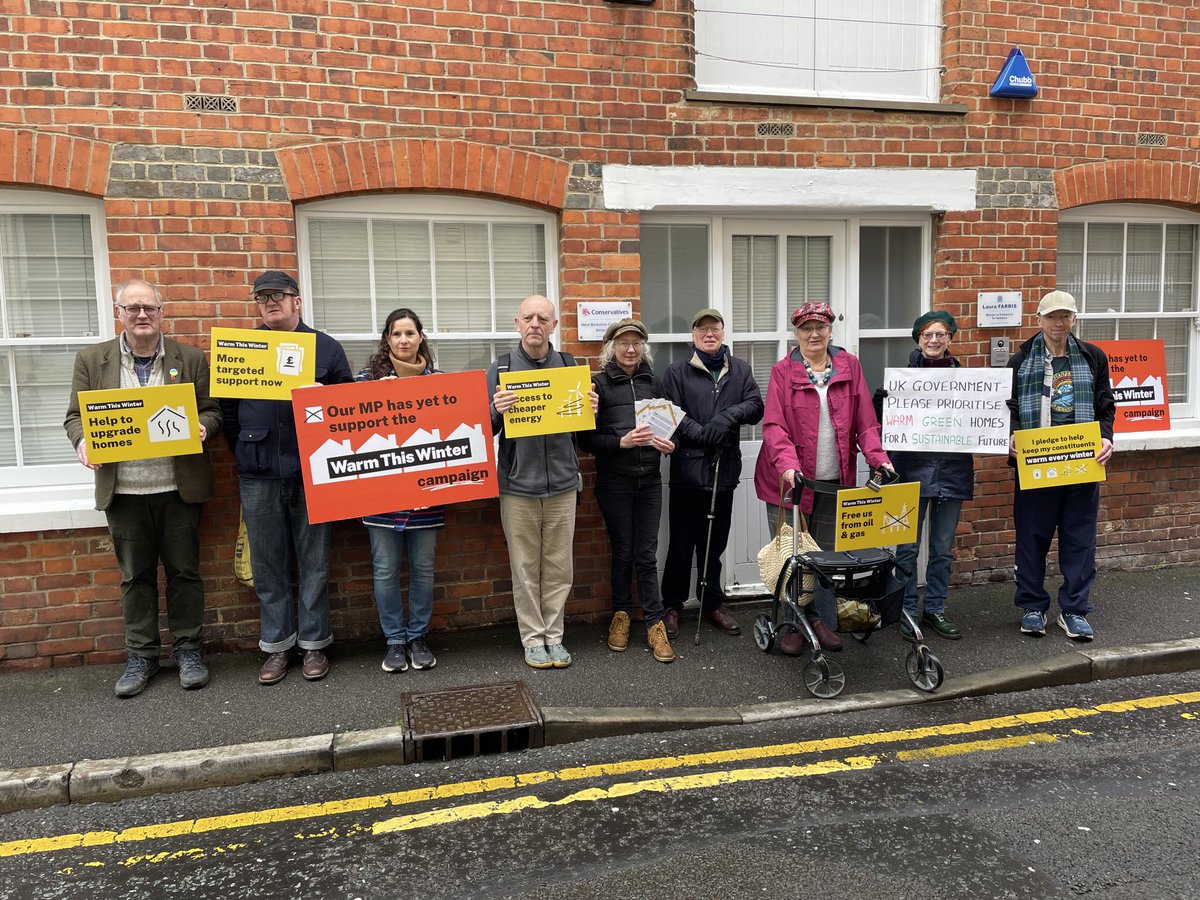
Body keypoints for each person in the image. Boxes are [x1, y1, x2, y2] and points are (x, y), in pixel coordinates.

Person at [64, 279, 222, 698]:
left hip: (177, 487)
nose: (141, 315)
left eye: (149, 307)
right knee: (135, 577)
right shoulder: (92, 359)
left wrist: (204, 427)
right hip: (125, 491)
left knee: (185, 573)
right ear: (119, 312)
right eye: (132, 308)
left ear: (161, 312)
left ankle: (188, 650)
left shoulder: (189, 358)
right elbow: (74, 417)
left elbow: (212, 410)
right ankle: (142, 657)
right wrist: (83, 442)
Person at [220, 270, 353, 685]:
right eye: (262, 298)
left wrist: (324, 400)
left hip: (314, 473)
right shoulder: (243, 351)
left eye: (279, 295)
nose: (270, 302)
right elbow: (227, 414)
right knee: (267, 565)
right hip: (259, 474)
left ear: (298, 302)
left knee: (314, 562)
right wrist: (245, 452)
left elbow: (349, 410)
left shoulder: (326, 349)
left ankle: (314, 646)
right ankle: (277, 648)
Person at [753, 301, 893, 654]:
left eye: (821, 327)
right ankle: (791, 623)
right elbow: (774, 427)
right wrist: (788, 466)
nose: (814, 334)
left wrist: (879, 459)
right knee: (793, 557)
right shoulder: (783, 372)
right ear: (796, 333)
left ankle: (821, 620)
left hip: (834, 481)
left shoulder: (850, 367)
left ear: (830, 330)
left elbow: (866, 422)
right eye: (806, 328)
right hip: (790, 483)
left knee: (827, 558)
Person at [487, 295, 598, 670]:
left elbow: (582, 432)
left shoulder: (569, 365)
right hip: (518, 487)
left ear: (553, 326)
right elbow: (482, 429)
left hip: (564, 486)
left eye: (543, 318)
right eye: (529, 318)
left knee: (558, 567)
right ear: (517, 323)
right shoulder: (500, 368)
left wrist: (590, 412)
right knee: (524, 567)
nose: (535, 324)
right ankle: (533, 640)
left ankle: (555, 636)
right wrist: (495, 411)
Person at [1007, 290, 1115, 642]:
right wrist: (1010, 436)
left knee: (1079, 539)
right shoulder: (1020, 360)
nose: (1058, 323)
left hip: (1082, 463)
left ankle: (1074, 611)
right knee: (1032, 538)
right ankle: (1033, 606)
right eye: (1052, 316)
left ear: (1074, 319)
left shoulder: (1092, 357)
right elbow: (1006, 408)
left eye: (1065, 316)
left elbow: (1105, 405)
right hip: (1035, 462)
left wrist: (1106, 437)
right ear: (1038, 320)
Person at [660, 308, 764, 638]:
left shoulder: (741, 370)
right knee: (680, 545)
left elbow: (756, 406)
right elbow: (671, 413)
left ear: (722, 332)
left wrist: (728, 417)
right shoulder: (677, 372)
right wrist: (702, 433)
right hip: (688, 473)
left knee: (714, 545)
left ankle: (712, 603)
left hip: (725, 471)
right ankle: (672, 606)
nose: (709, 334)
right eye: (702, 329)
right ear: (693, 335)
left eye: (714, 328)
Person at [579, 318, 676, 663]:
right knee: (622, 551)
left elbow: (670, 427)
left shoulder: (655, 382)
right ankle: (620, 616)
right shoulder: (598, 385)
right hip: (614, 482)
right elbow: (585, 438)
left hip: (649, 479)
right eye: (623, 343)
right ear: (611, 348)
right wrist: (620, 442)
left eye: (636, 343)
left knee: (646, 556)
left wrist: (669, 444)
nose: (631, 349)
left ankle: (654, 622)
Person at [875, 310, 974, 641]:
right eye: (927, 335)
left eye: (941, 335)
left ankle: (934, 609)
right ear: (918, 339)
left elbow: (978, 419)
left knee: (943, 547)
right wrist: (882, 404)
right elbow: (881, 425)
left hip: (952, 471)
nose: (934, 340)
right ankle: (905, 610)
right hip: (911, 471)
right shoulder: (902, 379)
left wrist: (996, 409)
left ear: (950, 339)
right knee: (907, 548)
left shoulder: (969, 381)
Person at [356, 308, 443, 673]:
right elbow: (344, 426)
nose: (404, 340)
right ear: (387, 340)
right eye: (396, 334)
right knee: (385, 570)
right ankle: (394, 640)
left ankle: (417, 636)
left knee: (423, 569)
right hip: (382, 496)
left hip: (427, 495)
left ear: (421, 337)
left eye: (410, 333)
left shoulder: (440, 382)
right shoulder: (366, 380)